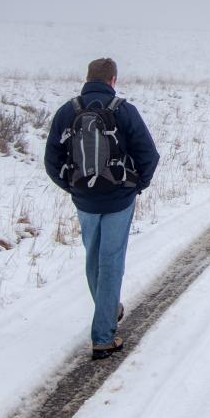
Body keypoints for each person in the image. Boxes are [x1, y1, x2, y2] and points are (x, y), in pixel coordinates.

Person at [45, 57, 160, 359]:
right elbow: (149, 154)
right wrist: (137, 185)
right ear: (113, 80)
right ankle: (104, 337)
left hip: (84, 199)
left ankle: (109, 311)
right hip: (119, 199)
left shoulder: (67, 111)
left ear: (88, 78)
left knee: (93, 259)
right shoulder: (123, 111)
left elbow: (51, 161)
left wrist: (72, 187)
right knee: (111, 262)